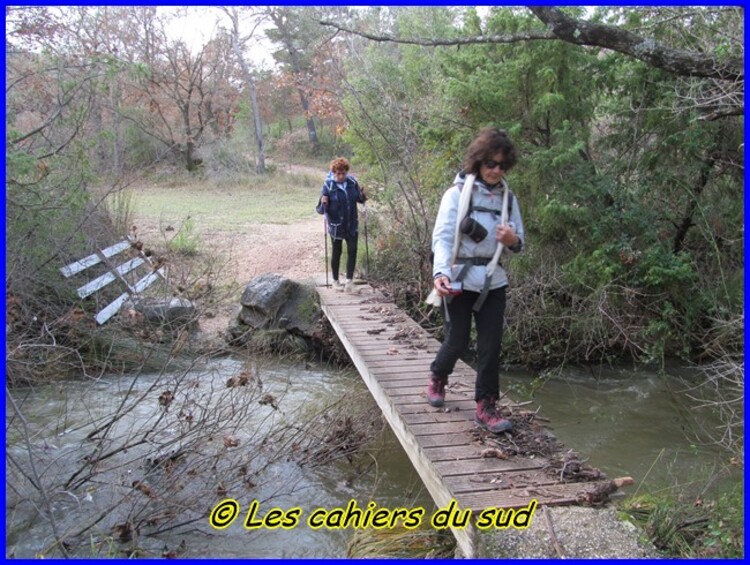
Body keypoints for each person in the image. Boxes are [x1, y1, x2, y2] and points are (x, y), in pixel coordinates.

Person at [425, 127, 525, 434]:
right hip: (458, 278)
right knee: (456, 339)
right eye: (490, 164)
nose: (496, 170)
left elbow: (519, 242)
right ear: (478, 162)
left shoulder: (508, 199)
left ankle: (486, 406)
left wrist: (512, 240)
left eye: (501, 165)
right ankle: (438, 377)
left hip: (493, 280)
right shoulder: (455, 195)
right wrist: (440, 272)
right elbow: (442, 237)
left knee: (490, 345)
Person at [317, 158, 366, 292]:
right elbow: (320, 210)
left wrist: (362, 195)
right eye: (338, 173)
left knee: (353, 250)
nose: (341, 176)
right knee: (337, 252)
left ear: (346, 172)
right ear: (333, 172)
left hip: (351, 224)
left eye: (343, 173)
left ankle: (349, 282)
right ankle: (335, 281)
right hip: (336, 225)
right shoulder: (328, 185)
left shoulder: (352, 183)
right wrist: (323, 202)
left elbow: (359, 200)